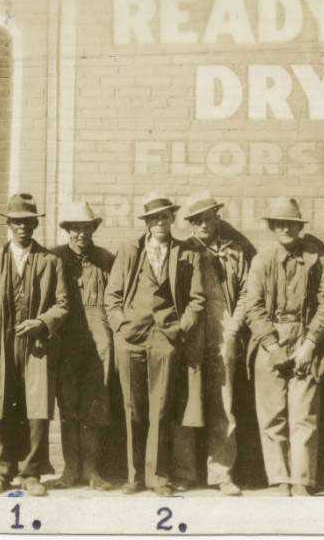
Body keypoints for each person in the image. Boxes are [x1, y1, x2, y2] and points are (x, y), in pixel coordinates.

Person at [105, 192, 205, 495]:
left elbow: (197, 300)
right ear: (146, 223)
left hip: (165, 339)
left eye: (164, 217)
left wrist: (180, 330)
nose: (160, 223)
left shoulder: (187, 253)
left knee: (161, 410)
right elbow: (113, 296)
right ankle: (134, 477)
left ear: (171, 219)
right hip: (131, 339)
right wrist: (121, 327)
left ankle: (158, 477)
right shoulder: (130, 250)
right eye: (153, 218)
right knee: (133, 409)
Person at [0, 193, 68, 497]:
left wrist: (41, 322)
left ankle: (31, 472)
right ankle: (0, 471)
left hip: (36, 346)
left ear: (35, 225)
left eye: (28, 222)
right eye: (16, 222)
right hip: (1, 345)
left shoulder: (51, 262)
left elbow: (63, 305)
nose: (22, 228)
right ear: (8, 225)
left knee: (36, 410)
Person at [244, 197, 324, 496]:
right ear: (272, 227)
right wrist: (271, 346)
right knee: (272, 414)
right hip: (270, 339)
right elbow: (253, 307)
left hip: (305, 337)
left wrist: (310, 343)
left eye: (291, 224)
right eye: (280, 224)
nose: (286, 229)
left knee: (304, 413)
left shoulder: (317, 259)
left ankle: (301, 481)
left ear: (299, 227)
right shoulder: (262, 260)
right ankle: (279, 479)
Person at [182, 191, 256, 496]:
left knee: (223, 404)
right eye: (196, 220)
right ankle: (183, 471)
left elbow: (249, 293)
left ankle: (222, 473)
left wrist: (234, 325)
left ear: (217, 217)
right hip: (191, 329)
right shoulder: (183, 250)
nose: (202, 224)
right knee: (186, 400)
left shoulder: (237, 250)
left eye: (207, 218)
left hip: (223, 326)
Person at [49, 202, 115, 491]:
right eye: (75, 228)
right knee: (68, 405)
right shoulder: (54, 258)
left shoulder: (105, 259)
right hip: (66, 341)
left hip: (99, 341)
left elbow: (117, 300)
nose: (80, 234)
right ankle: (70, 470)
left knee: (95, 404)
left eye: (85, 228)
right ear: (67, 231)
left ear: (92, 229)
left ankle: (92, 471)